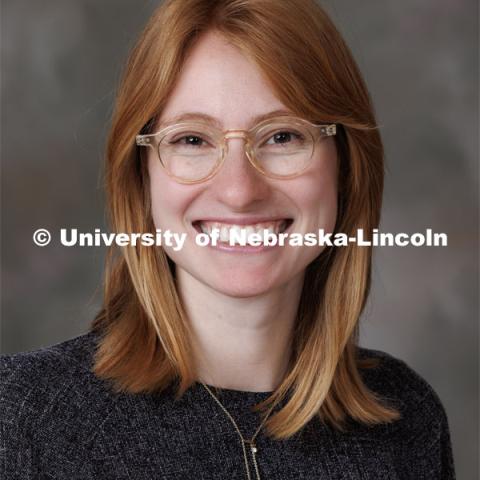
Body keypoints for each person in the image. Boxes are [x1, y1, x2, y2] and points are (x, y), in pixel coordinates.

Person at [0, 0, 456, 478]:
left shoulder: (407, 422)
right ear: (142, 178)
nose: (239, 191)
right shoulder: (25, 419)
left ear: (345, 167)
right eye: (192, 140)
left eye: (282, 136)